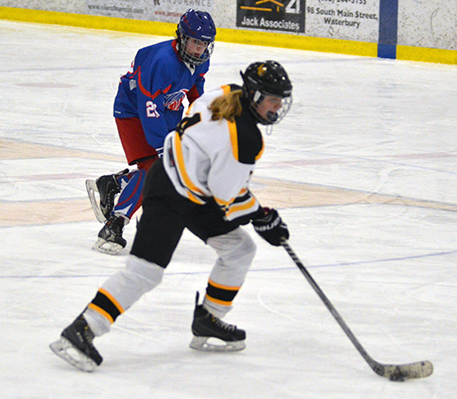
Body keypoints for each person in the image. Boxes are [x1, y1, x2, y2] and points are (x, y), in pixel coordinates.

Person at [50, 60, 294, 372]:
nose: (277, 107)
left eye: (280, 100)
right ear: (255, 95)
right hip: (169, 193)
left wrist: (258, 214)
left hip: (190, 185)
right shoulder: (247, 138)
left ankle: (209, 319)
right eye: (273, 99)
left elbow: (215, 179)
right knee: (145, 272)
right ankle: (82, 330)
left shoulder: (227, 93)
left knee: (239, 249)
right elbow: (226, 198)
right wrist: (263, 217)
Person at [85, 9, 217, 255]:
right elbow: (148, 110)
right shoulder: (162, 62)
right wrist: (160, 148)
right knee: (156, 170)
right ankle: (115, 223)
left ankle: (114, 184)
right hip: (133, 112)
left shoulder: (200, 60)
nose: (199, 49)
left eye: (204, 44)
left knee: (163, 170)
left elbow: (195, 87)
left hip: (167, 109)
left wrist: (205, 119)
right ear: (181, 37)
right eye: (195, 42)